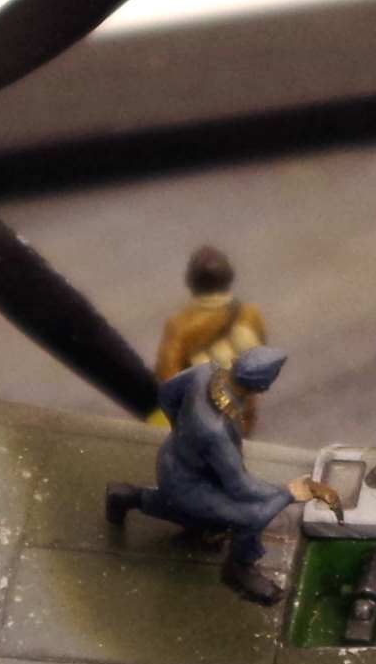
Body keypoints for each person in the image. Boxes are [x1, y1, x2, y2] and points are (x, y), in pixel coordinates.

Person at [105, 345, 341, 601]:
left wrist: (183, 433)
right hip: (188, 484)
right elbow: (240, 487)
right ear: (262, 386)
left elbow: (166, 393)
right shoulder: (216, 430)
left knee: (194, 512)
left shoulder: (205, 372)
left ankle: (126, 496)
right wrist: (289, 492)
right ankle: (238, 569)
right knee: (253, 515)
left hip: (174, 460)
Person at [154, 246, 272, 434]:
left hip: (202, 409)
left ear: (191, 281)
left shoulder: (180, 326)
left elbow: (168, 375)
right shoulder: (250, 314)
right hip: (242, 404)